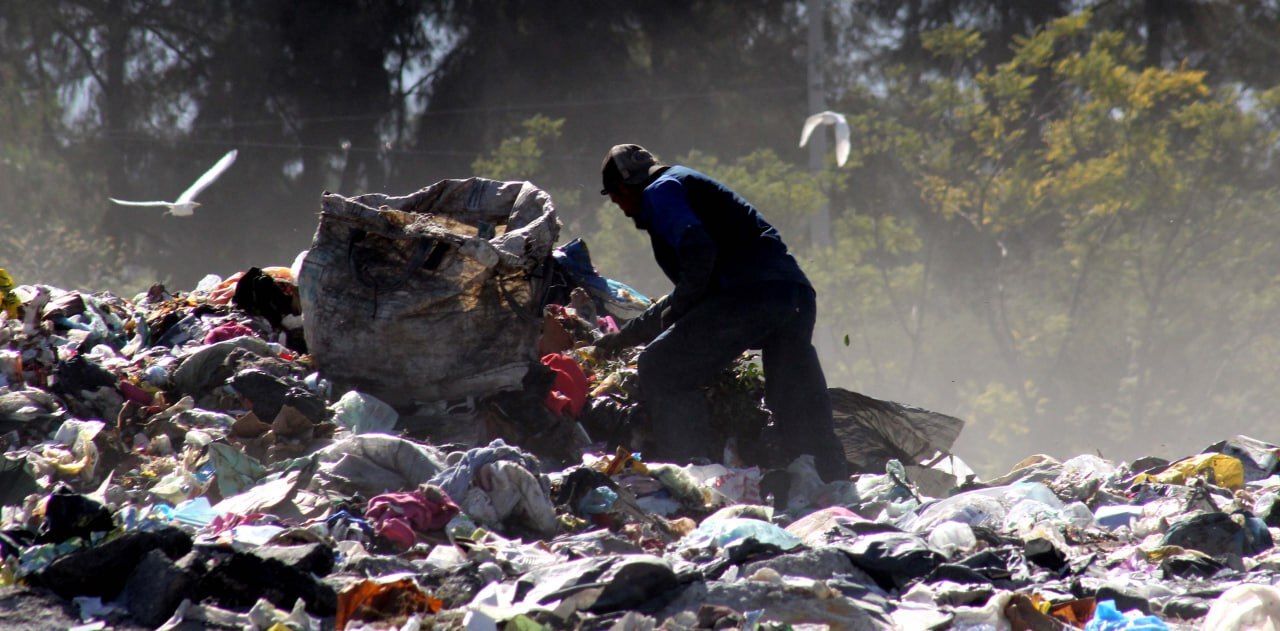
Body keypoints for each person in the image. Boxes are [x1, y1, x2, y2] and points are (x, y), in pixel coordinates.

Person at [594, 144, 849, 482]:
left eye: (616, 199)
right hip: (791, 294)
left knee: (662, 366)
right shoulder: (684, 184)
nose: (623, 210)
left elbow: (698, 252)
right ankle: (828, 477)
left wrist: (681, 308)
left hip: (749, 295)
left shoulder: (660, 191)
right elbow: (688, 290)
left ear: (625, 187)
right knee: (793, 393)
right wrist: (624, 337)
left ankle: (692, 477)